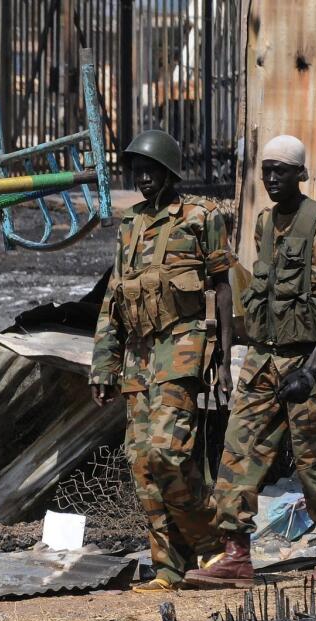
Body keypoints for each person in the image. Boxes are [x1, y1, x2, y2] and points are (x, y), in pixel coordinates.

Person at [185, 134, 316, 588]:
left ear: (301, 173)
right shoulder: (262, 224)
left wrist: (313, 369)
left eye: (282, 170)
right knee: (238, 452)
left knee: (315, 463)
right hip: (261, 361)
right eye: (267, 170)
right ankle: (237, 555)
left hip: (304, 364)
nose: (273, 178)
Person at [90, 130, 235, 593]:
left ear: (170, 171)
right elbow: (114, 298)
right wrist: (103, 364)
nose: (144, 178)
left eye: (152, 169)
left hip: (183, 347)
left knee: (167, 452)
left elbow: (224, 286)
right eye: (138, 170)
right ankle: (168, 568)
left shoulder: (201, 216)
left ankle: (210, 543)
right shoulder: (129, 224)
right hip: (138, 355)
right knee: (141, 463)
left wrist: (226, 356)